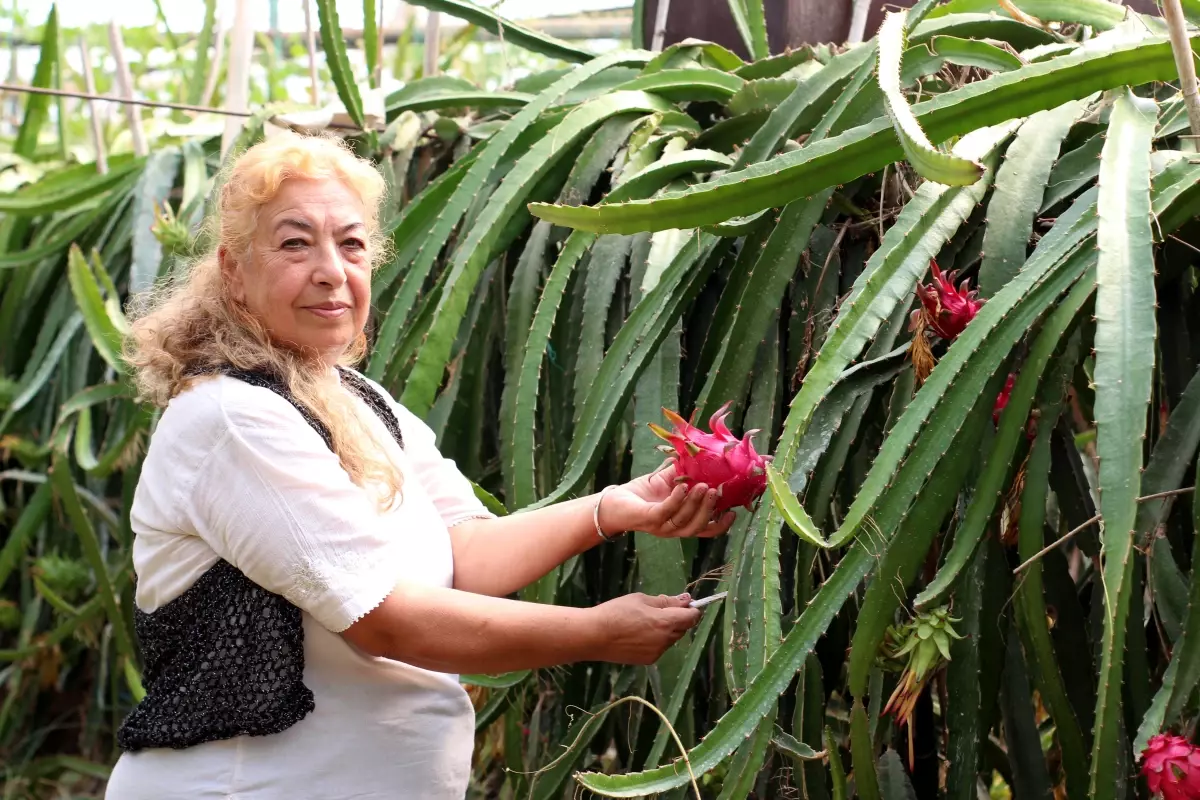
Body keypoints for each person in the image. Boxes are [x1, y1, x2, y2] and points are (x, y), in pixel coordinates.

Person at [103, 131, 737, 800]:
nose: (330, 270)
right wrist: (597, 633)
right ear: (233, 270)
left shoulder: (357, 399)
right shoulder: (232, 419)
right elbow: (385, 617)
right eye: (295, 243)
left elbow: (466, 552)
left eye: (350, 245)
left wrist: (615, 507)